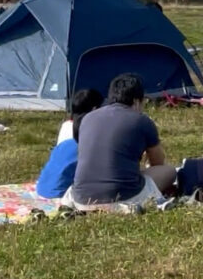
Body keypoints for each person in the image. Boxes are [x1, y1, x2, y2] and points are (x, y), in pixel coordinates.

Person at [66, 74, 175, 209]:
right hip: (122, 197)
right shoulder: (141, 120)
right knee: (170, 171)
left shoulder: (88, 118)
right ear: (136, 101)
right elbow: (158, 163)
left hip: (81, 199)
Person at [36, 89, 105, 199]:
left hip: (43, 188)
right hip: (63, 193)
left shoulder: (66, 128)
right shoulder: (91, 140)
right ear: (95, 109)